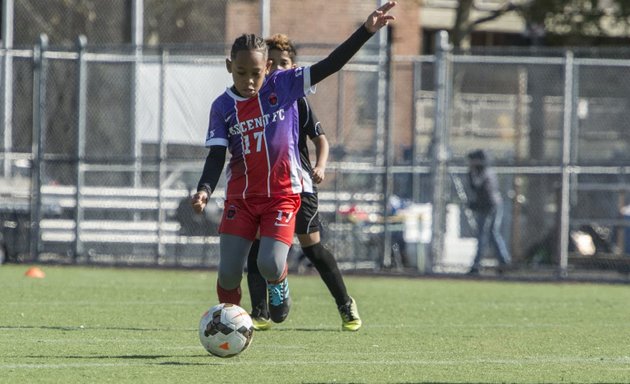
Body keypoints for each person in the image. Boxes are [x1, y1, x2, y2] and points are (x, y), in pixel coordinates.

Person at [191, 3, 397, 324]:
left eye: (257, 73)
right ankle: (229, 324)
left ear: (269, 68)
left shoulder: (283, 86)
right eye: (241, 72)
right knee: (229, 274)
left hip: (281, 196)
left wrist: (366, 31)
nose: (249, 80)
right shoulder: (222, 107)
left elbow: (331, 64)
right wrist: (204, 189)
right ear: (230, 66)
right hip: (241, 200)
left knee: (271, 264)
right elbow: (217, 155)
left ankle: (280, 283)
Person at [245, 33, 362, 332]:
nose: (278, 68)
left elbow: (320, 139)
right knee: (257, 245)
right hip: (264, 189)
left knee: (312, 248)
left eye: (284, 63)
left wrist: (321, 166)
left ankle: (345, 303)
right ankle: (259, 311)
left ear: (293, 65)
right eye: (272, 63)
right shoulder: (253, 97)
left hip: (299, 185)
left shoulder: (296, 97)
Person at [466, 149, 511, 274]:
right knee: (492, 233)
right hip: (491, 205)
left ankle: (477, 264)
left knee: (484, 235)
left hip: (490, 206)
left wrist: (470, 172)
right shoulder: (485, 171)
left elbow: (477, 186)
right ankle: (503, 261)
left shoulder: (485, 172)